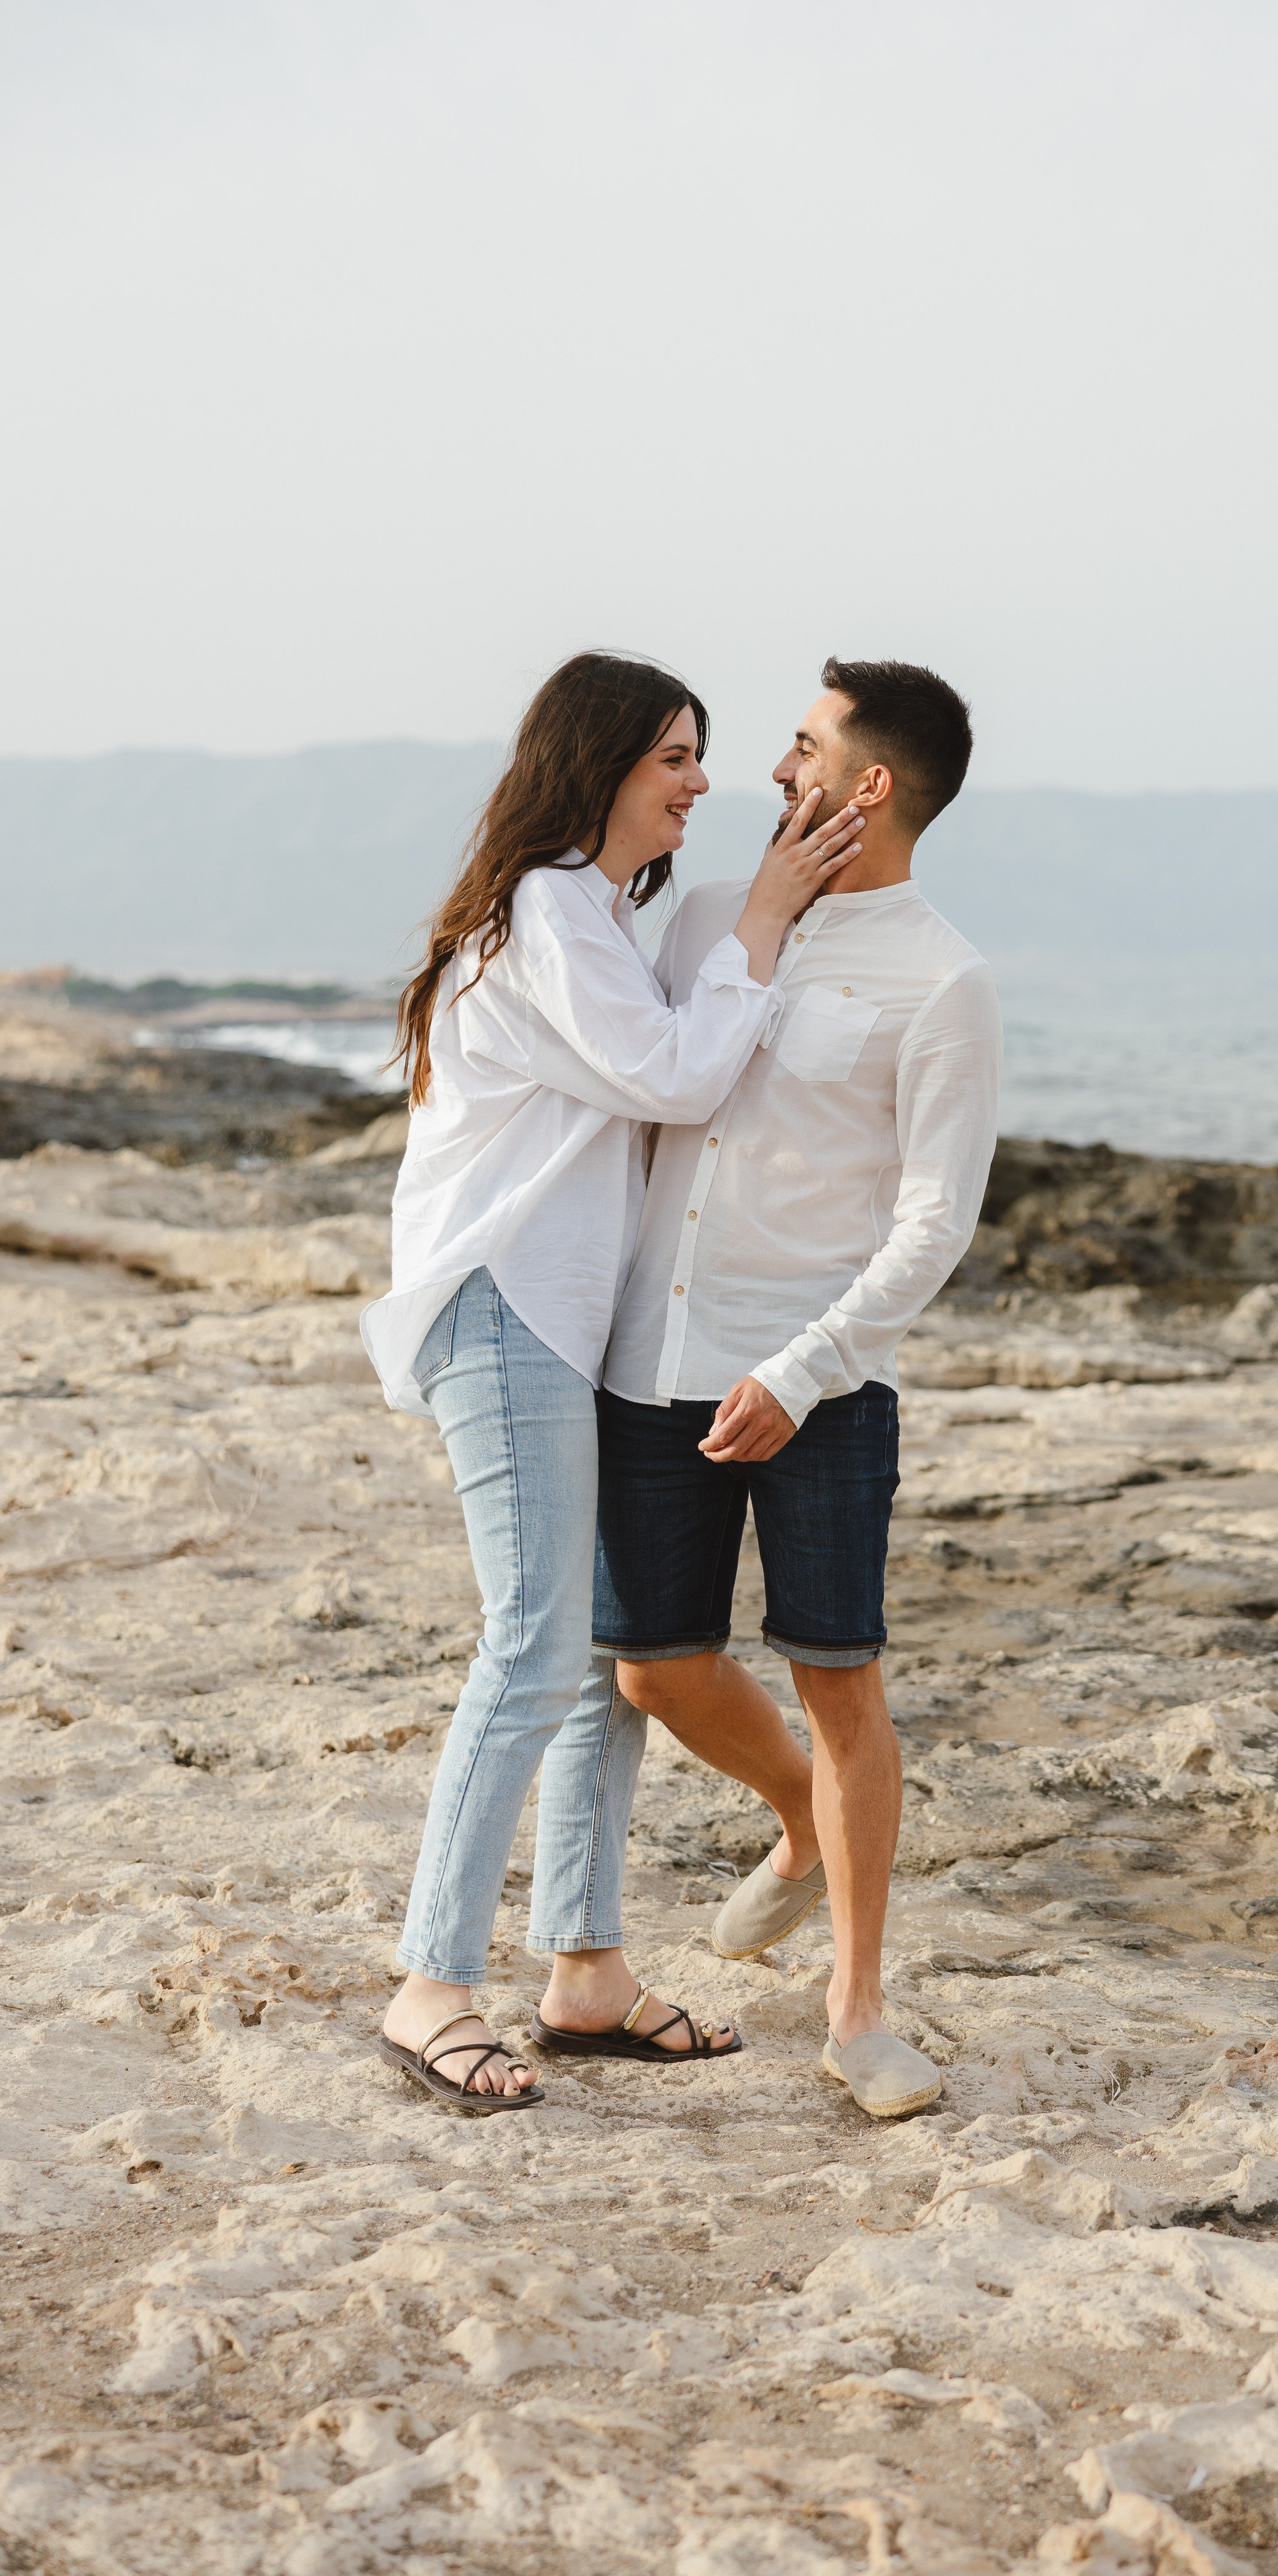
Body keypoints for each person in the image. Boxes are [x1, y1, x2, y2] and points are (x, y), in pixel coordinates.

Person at [362, 651, 864, 2108]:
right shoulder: (542, 911)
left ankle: (581, 1974)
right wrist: (766, 918)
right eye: (673, 760)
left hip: (556, 1330)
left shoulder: (582, 909)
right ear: (596, 769)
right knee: (531, 1651)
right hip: (504, 1313)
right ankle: (428, 1988)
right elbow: (674, 1078)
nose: (702, 785)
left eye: (703, 757)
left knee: (593, 1660)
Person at [586, 657, 1002, 2120]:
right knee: (652, 1665)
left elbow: (933, 1221)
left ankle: (858, 2011)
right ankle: (799, 1827)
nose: (775, 768)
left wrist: (805, 1368)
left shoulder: (941, 978)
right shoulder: (711, 914)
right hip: (652, 1360)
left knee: (841, 1685)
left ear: (867, 783)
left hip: (822, 1384)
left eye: (803, 744)